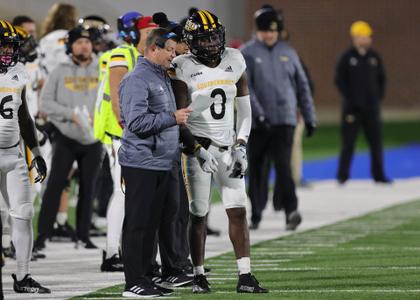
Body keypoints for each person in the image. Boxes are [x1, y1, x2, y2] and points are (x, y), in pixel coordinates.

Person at [171, 10, 268, 294]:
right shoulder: (181, 66)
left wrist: (241, 145)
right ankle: (199, 274)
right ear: (191, 40)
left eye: (215, 36)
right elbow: (180, 118)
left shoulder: (235, 59)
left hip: (228, 149)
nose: (212, 43)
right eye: (204, 38)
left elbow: (245, 110)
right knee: (198, 213)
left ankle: (245, 275)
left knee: (239, 210)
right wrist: (197, 150)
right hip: (198, 149)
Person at [241, 5, 316, 231]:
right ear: (259, 30)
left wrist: (310, 116)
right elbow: (246, 87)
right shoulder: (247, 52)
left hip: (285, 120)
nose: (270, 34)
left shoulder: (289, 52)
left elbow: (302, 86)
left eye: (273, 30)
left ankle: (291, 211)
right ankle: (255, 213)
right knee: (256, 168)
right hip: (258, 124)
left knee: (284, 167)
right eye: (266, 30)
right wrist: (259, 114)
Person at [94, 11, 158, 272]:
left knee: (136, 194)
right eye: (148, 32)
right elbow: (118, 96)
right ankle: (111, 252)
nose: (154, 37)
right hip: (120, 134)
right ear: (132, 34)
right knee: (123, 192)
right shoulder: (122, 53)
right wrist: (129, 128)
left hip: (136, 134)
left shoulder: (147, 57)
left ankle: (131, 253)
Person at [35, 26, 102, 249]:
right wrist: (70, 115)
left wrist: (99, 116)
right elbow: (45, 103)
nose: (84, 45)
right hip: (65, 136)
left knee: (88, 187)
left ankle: (83, 236)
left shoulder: (102, 67)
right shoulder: (59, 70)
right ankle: (42, 235)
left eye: (87, 41)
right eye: (78, 42)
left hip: (93, 138)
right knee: (55, 185)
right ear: (70, 46)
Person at [0, 20, 49, 294]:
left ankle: (22, 276)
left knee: (24, 212)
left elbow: (24, 116)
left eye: (10, 45)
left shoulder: (18, 72)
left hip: (13, 153)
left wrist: (37, 152)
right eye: (3, 45)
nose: (7, 51)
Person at [335, 21, 391, 184]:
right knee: (348, 143)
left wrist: (376, 98)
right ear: (354, 38)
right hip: (352, 109)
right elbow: (339, 80)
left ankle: (379, 175)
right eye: (361, 37)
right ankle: (342, 176)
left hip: (371, 108)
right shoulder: (346, 57)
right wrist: (351, 99)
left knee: (376, 143)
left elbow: (382, 79)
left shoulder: (374, 57)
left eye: (367, 37)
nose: (364, 40)